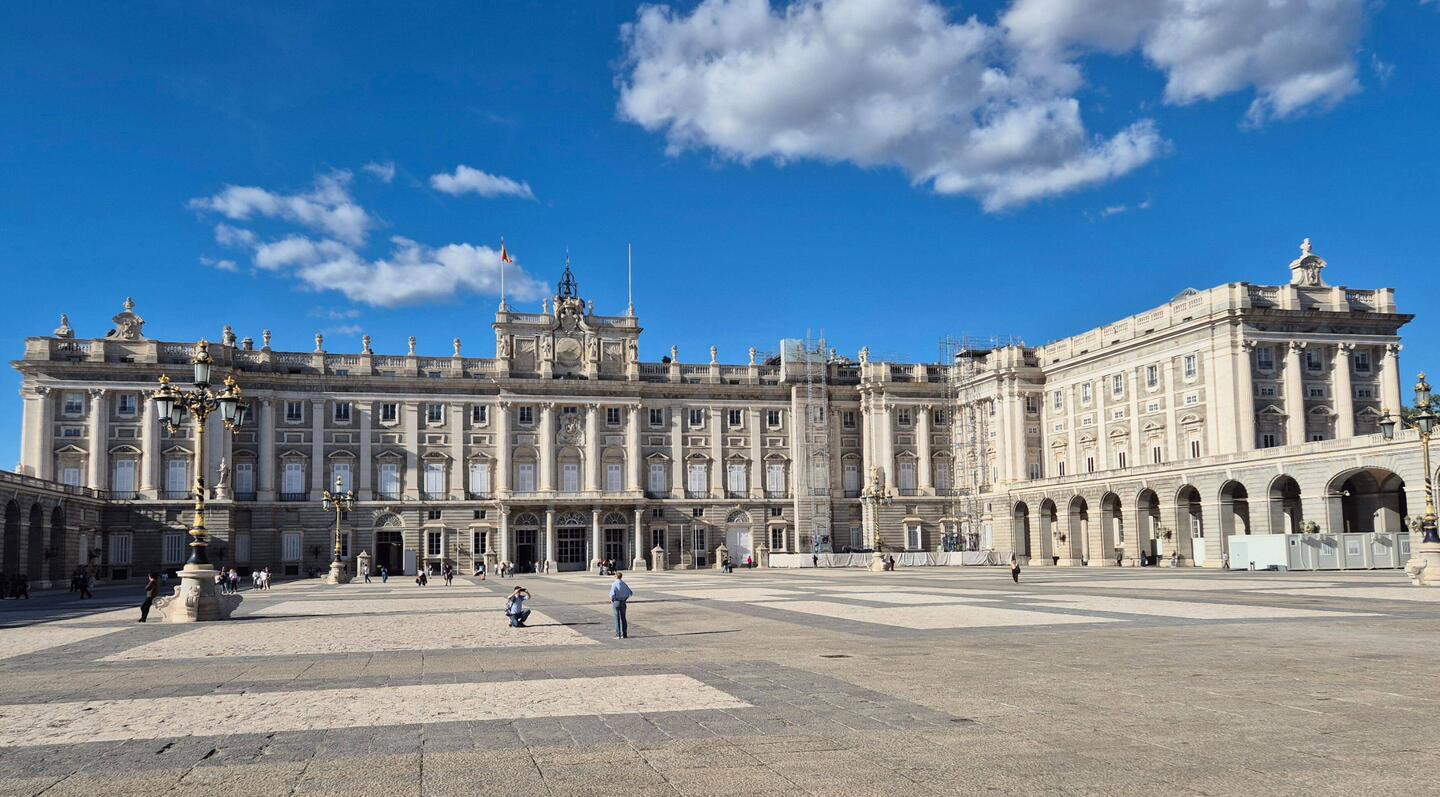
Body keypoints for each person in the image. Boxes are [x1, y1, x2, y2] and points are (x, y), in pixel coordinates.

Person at [610, 572, 633, 639]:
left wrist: (612, 600)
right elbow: (630, 593)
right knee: (623, 618)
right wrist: (625, 598)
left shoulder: (614, 584)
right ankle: (625, 634)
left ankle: (618, 634)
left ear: (616, 576)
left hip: (616, 601)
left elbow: (612, 594)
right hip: (623, 602)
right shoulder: (624, 583)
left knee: (616, 618)